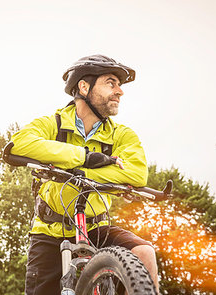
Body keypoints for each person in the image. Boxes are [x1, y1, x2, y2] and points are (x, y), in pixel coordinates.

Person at [8, 54, 158, 294]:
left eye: (119, 85)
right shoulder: (53, 124)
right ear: (84, 86)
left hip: (97, 227)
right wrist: (85, 156)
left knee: (144, 252)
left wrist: (79, 170)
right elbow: (18, 145)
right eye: (111, 82)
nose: (120, 91)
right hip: (50, 231)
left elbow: (137, 173)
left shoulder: (122, 135)